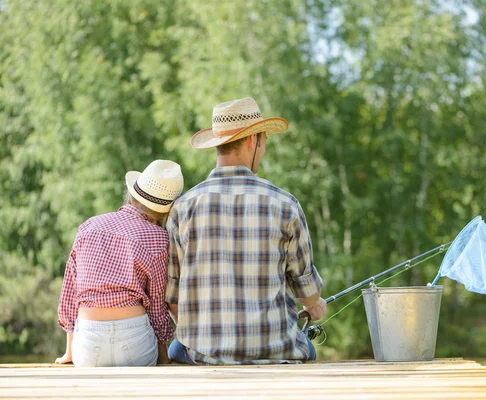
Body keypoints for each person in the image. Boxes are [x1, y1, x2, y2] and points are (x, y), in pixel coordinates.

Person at [166, 97, 326, 365]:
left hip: (205, 355)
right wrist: (314, 305)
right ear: (254, 141)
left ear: (217, 145)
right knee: (309, 348)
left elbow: (172, 300)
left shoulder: (183, 208)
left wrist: (207, 338)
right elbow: (308, 294)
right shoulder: (285, 204)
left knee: (176, 349)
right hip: (278, 351)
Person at [56, 160, 184, 367]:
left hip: (88, 345)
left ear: (132, 195)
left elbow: (70, 293)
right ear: (165, 211)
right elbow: (157, 305)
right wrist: (162, 355)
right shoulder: (159, 238)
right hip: (135, 342)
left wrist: (70, 350)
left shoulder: (88, 227)